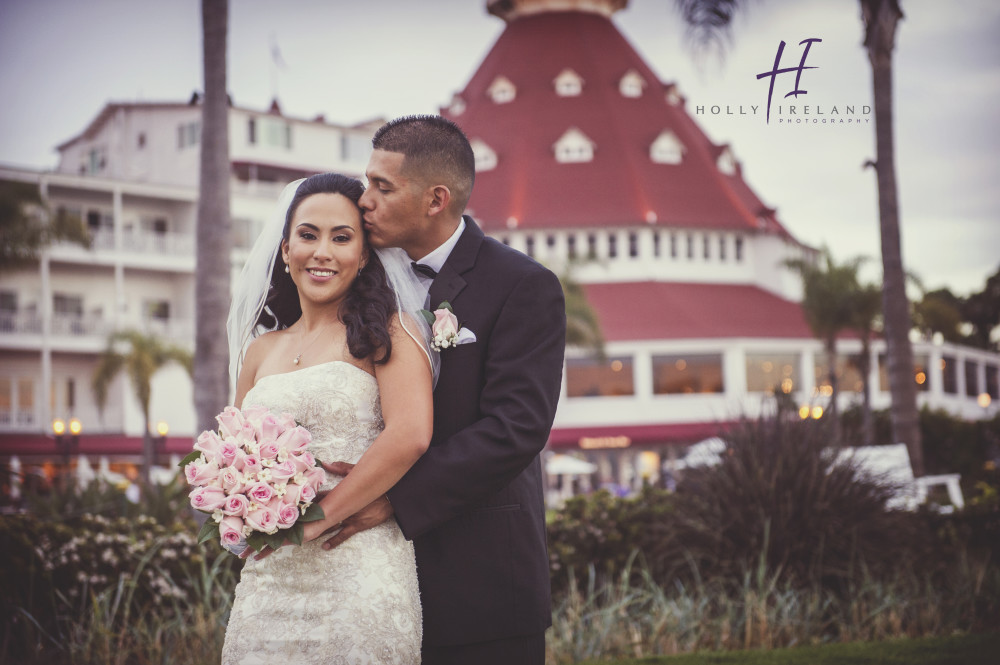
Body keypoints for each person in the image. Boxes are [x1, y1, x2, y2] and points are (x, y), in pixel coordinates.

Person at [321, 115, 567, 665]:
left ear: (436, 200)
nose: (364, 201)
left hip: (480, 581)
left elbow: (517, 428)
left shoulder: (523, 285)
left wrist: (393, 499)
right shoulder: (356, 276)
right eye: (367, 183)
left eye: (383, 187)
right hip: (367, 583)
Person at [220, 172, 436, 664]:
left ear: (363, 257)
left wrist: (317, 519)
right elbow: (232, 450)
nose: (322, 251)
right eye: (308, 234)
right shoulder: (259, 352)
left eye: (342, 238)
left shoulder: (390, 333)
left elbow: (411, 435)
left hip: (356, 568)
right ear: (284, 249)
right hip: (268, 581)